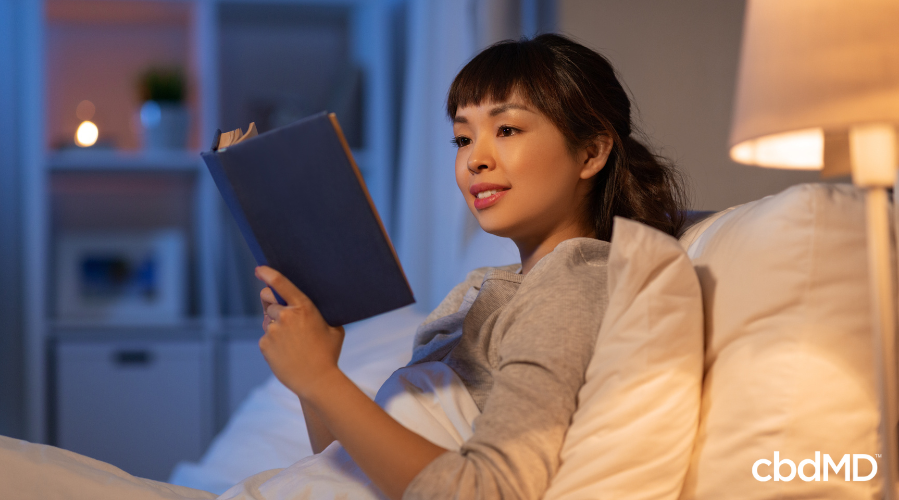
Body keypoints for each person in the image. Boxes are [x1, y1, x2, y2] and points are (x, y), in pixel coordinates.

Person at [253, 33, 688, 500]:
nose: (474, 160)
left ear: (591, 152)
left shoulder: (575, 282)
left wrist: (320, 377)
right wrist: (314, 376)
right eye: (463, 138)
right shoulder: (480, 290)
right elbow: (353, 472)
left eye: (506, 130)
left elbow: (491, 491)